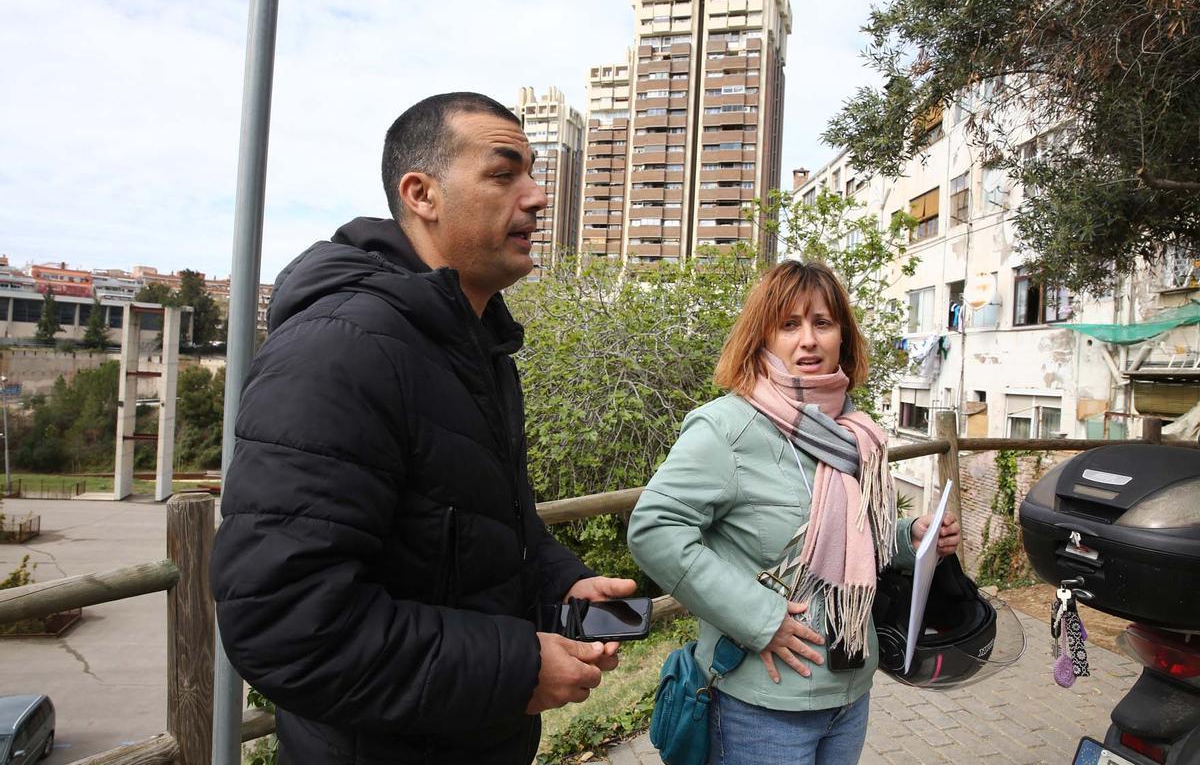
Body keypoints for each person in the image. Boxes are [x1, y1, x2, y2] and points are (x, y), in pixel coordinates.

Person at [210, 92, 636, 765]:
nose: (536, 197)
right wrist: (514, 669)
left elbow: (489, 529)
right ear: (422, 194)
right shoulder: (342, 350)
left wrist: (561, 584)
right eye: (504, 173)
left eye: (533, 172)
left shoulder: (477, 350)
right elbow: (283, 623)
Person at [628, 260, 959, 764]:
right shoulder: (728, 428)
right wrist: (760, 618)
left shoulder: (855, 433)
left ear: (842, 336)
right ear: (762, 335)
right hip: (761, 704)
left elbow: (848, 536)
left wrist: (905, 538)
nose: (808, 340)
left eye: (822, 323)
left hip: (849, 691)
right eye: (789, 324)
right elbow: (655, 530)